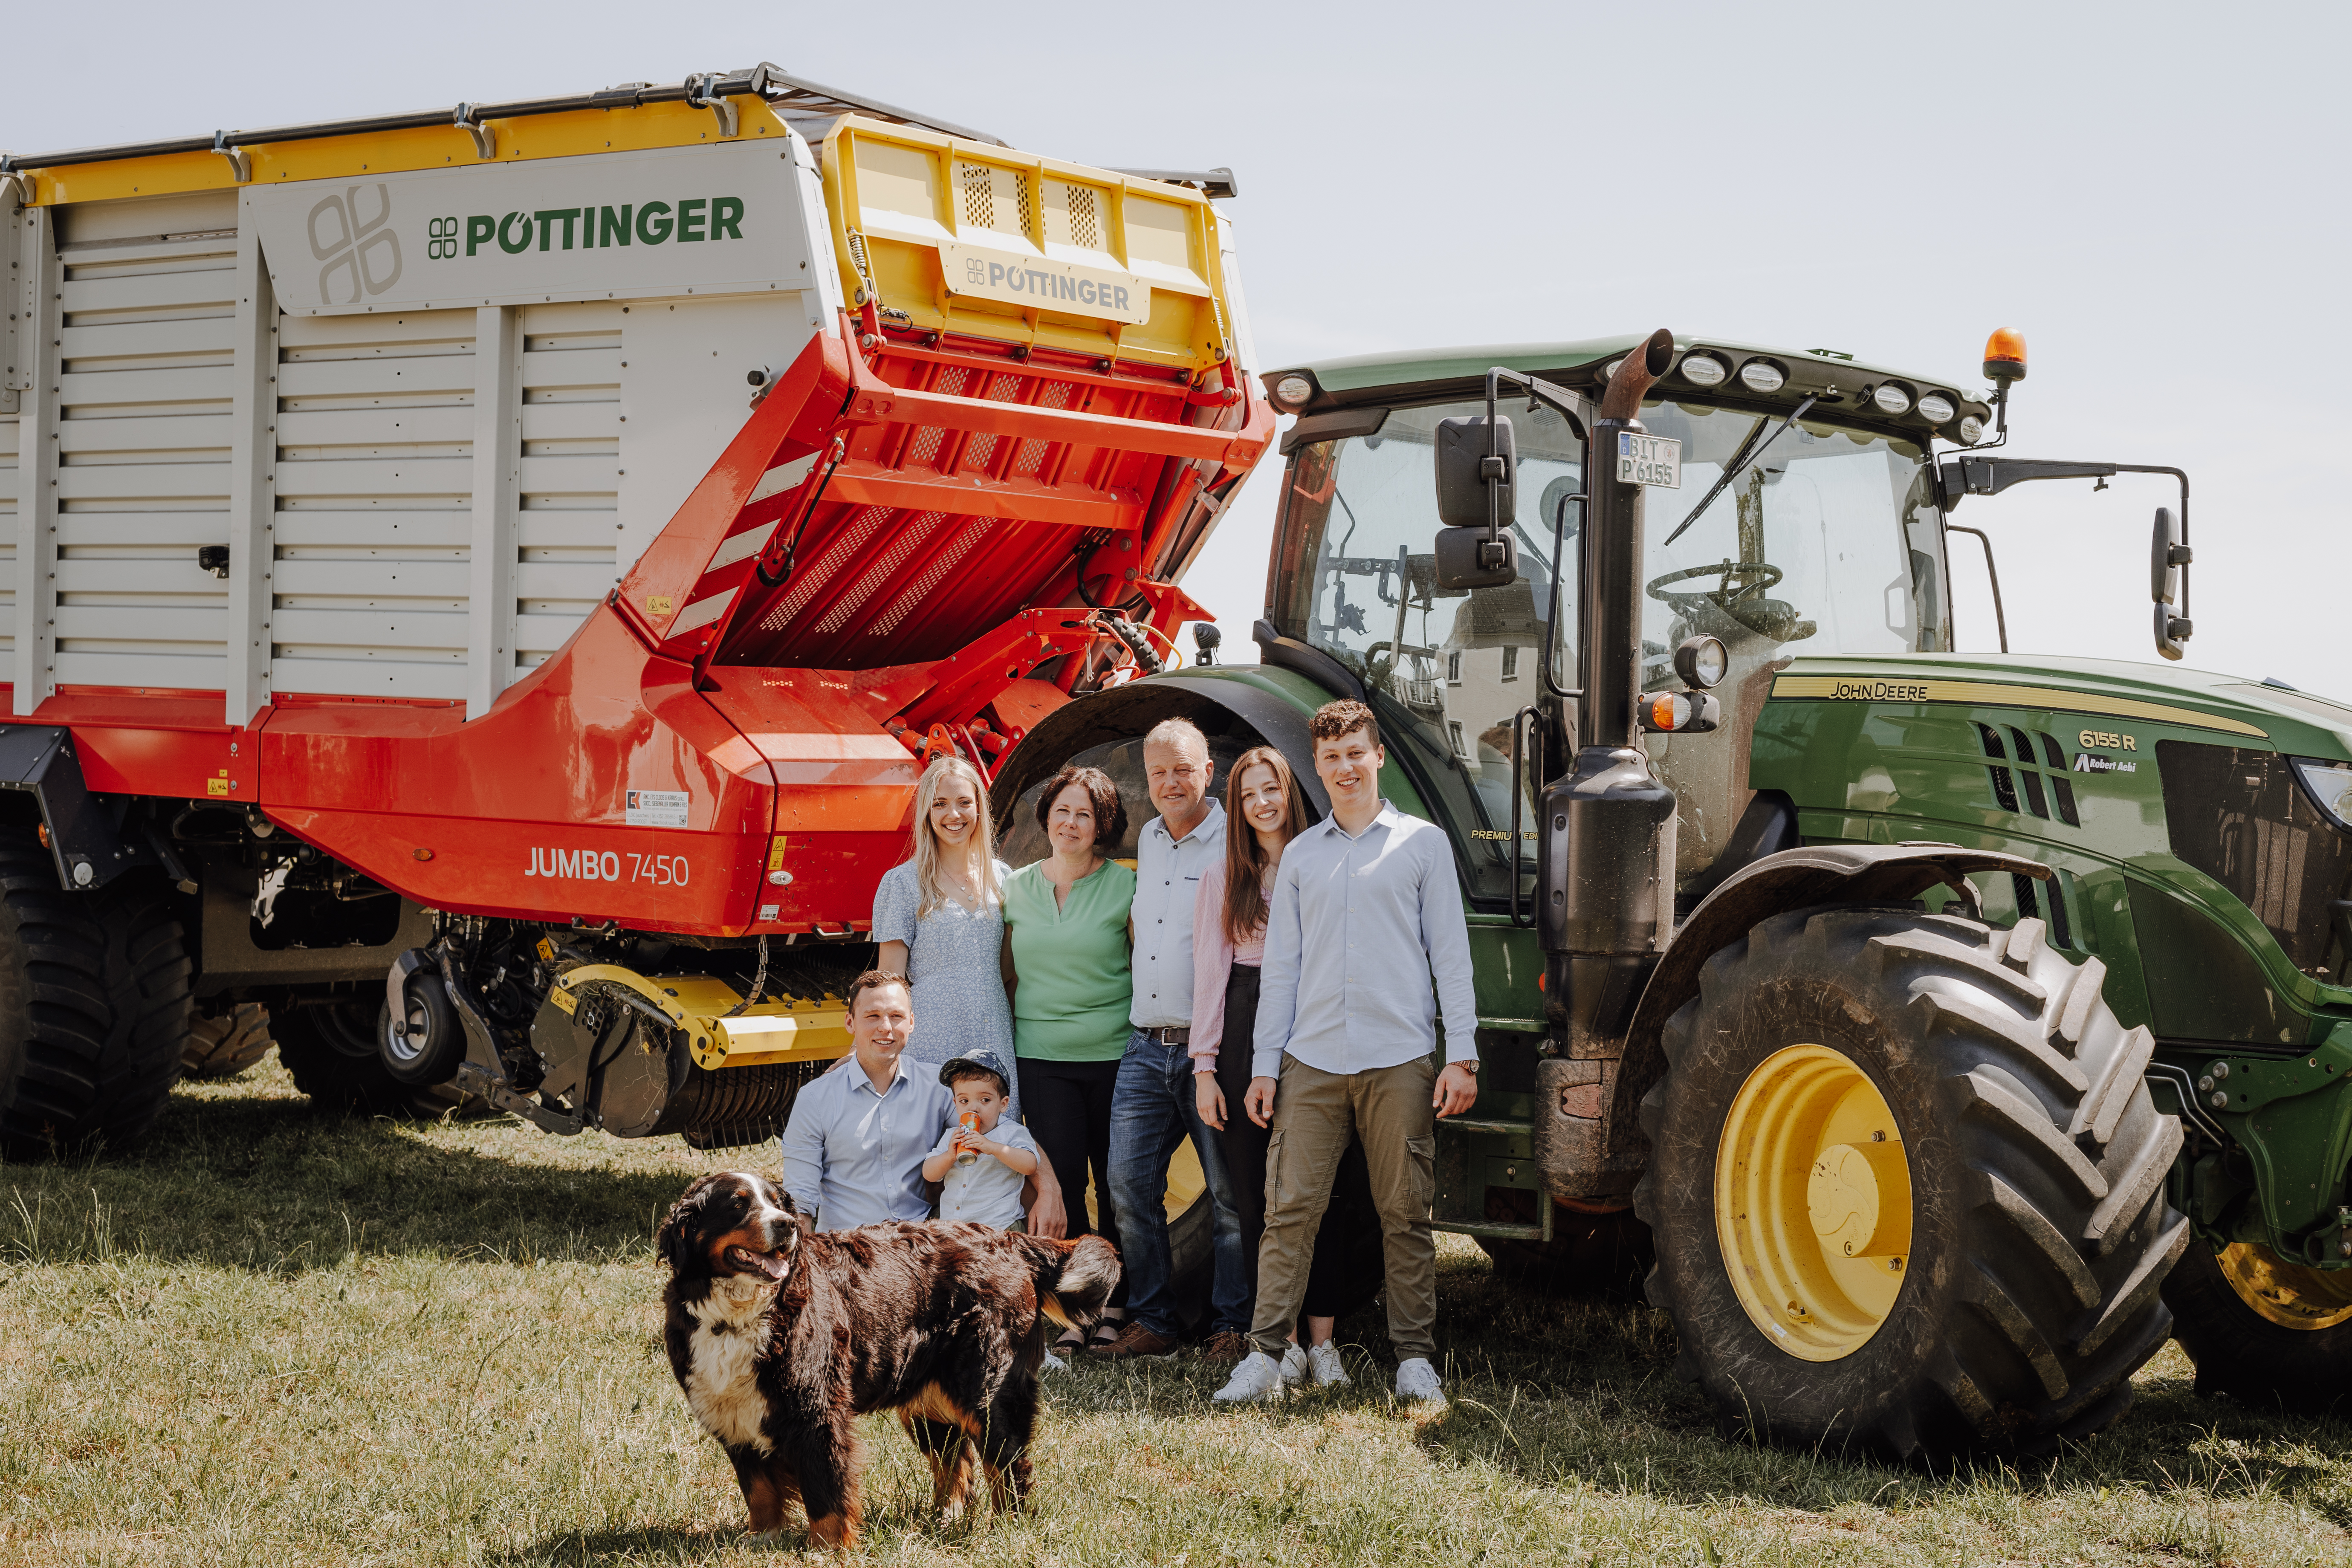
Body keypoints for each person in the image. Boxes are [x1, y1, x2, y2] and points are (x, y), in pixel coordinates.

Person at [1213, 700, 1481, 1407]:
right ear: (1318, 765)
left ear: (1378, 755)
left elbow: (1450, 954)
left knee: (1404, 1210)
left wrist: (1463, 1054)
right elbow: (1282, 970)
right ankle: (1265, 1354)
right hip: (1312, 1057)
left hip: (1399, 1055)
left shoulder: (1421, 845)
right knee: (1289, 1209)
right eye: (1330, 757)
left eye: (1354, 753)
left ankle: (1415, 1357)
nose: (1344, 767)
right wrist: (1265, 1064)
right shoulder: (1303, 856)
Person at [1192, 745, 1377, 1388]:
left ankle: (1324, 1341)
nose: (1262, 802)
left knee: (1321, 1190)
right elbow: (1211, 977)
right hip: (1245, 1021)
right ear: (1238, 809)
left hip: (1317, 1020)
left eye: (1271, 788)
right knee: (1255, 1196)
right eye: (1248, 794)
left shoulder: (1323, 861)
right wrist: (1206, 1067)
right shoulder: (1225, 876)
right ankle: (1284, 1342)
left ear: (1289, 792)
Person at [1098, 718, 1250, 1364]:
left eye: (1182, 768)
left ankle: (1231, 1325)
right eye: (1158, 771)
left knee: (1227, 1198)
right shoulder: (1151, 841)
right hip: (1143, 1044)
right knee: (1128, 1184)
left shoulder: (1234, 842)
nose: (1170, 782)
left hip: (1206, 1049)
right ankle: (1155, 1319)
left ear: (1208, 772)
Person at [1002, 764, 1138, 1355]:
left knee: (1117, 1186)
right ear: (1046, 816)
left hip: (1113, 1055)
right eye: (1062, 810)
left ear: (1103, 824)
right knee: (1067, 1191)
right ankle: (1077, 1310)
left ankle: (1117, 1305)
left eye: (1085, 813)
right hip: (1041, 1057)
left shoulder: (1126, 885)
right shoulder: (1016, 889)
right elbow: (1000, 969)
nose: (1071, 822)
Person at [874, 756, 1018, 1115]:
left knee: (996, 1144)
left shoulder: (1003, 879)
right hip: (930, 1035)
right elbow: (890, 981)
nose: (953, 814)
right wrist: (872, 1049)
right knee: (933, 1146)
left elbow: (1010, 971)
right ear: (926, 812)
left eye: (964, 802)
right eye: (940, 804)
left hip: (992, 1028)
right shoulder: (902, 884)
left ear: (979, 808)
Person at [778, 969, 952, 1232]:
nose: (886, 1027)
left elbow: (997, 1135)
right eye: (873, 1016)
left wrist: (1040, 1191)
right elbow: (800, 1199)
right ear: (850, 1022)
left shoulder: (939, 1087)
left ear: (912, 1022)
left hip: (919, 1246)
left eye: (897, 1016)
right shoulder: (815, 1098)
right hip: (847, 1251)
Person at [921, 1047, 1038, 1230]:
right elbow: (929, 1174)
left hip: (1000, 1228)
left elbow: (1030, 1165)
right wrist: (949, 1156)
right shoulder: (953, 1136)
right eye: (964, 1101)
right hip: (954, 1228)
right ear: (956, 1105)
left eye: (985, 1100)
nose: (973, 1108)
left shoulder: (1011, 1133)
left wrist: (993, 1148)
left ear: (1003, 1104)